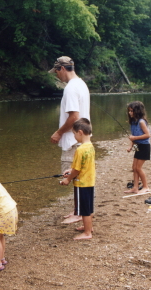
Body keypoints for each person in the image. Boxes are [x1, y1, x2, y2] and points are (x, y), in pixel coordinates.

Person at [48, 56, 90, 224]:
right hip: (83, 139)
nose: (57, 76)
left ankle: (79, 213)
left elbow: (74, 117)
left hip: (73, 141)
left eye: (57, 72)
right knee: (80, 176)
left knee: (75, 176)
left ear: (62, 69)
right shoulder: (81, 84)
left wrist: (58, 133)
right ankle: (78, 211)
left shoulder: (71, 88)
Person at [59, 118, 95, 240]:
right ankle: (88, 227)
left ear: (80, 132)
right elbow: (83, 165)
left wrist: (68, 179)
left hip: (82, 184)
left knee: (84, 209)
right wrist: (71, 170)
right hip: (90, 181)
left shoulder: (80, 150)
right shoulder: (90, 146)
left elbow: (77, 170)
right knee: (88, 207)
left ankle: (87, 233)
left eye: (74, 133)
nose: (74, 136)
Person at [124, 101, 151, 194]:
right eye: (129, 111)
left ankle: (146, 186)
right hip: (138, 146)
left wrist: (134, 138)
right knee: (134, 167)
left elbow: (147, 135)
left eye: (132, 111)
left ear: (138, 111)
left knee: (138, 168)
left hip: (145, 147)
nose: (130, 113)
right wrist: (130, 146)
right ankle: (135, 187)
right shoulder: (133, 122)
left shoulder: (141, 122)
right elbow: (133, 136)